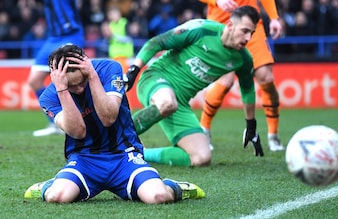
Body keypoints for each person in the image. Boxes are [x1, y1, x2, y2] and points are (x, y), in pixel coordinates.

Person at [23, 44, 205, 203]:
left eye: (82, 82)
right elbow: (78, 132)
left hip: (123, 155)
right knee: (57, 197)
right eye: (73, 86)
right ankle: (49, 185)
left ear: (86, 64)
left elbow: (108, 118)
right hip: (85, 160)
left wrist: (92, 77)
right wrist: (63, 90)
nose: (79, 89)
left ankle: (173, 186)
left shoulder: (109, 69)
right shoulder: (50, 95)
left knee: (158, 197)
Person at [124, 6, 264, 167]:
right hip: (155, 78)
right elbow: (157, 42)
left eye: (251, 33)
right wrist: (133, 71)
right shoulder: (202, 29)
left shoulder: (243, 59)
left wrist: (251, 125)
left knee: (201, 158)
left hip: (180, 104)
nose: (248, 38)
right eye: (245, 30)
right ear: (230, 25)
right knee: (167, 102)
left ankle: (139, 153)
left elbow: (247, 90)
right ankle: (115, 137)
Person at [198, 0, 285, 151]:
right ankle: (204, 129)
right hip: (221, 22)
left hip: (251, 23)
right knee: (226, 80)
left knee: (266, 77)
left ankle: (273, 135)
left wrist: (274, 17)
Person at [27, 0, 85, 137]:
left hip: (71, 32)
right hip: (53, 37)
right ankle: (56, 122)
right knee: (34, 81)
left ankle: (84, 119)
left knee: (73, 78)